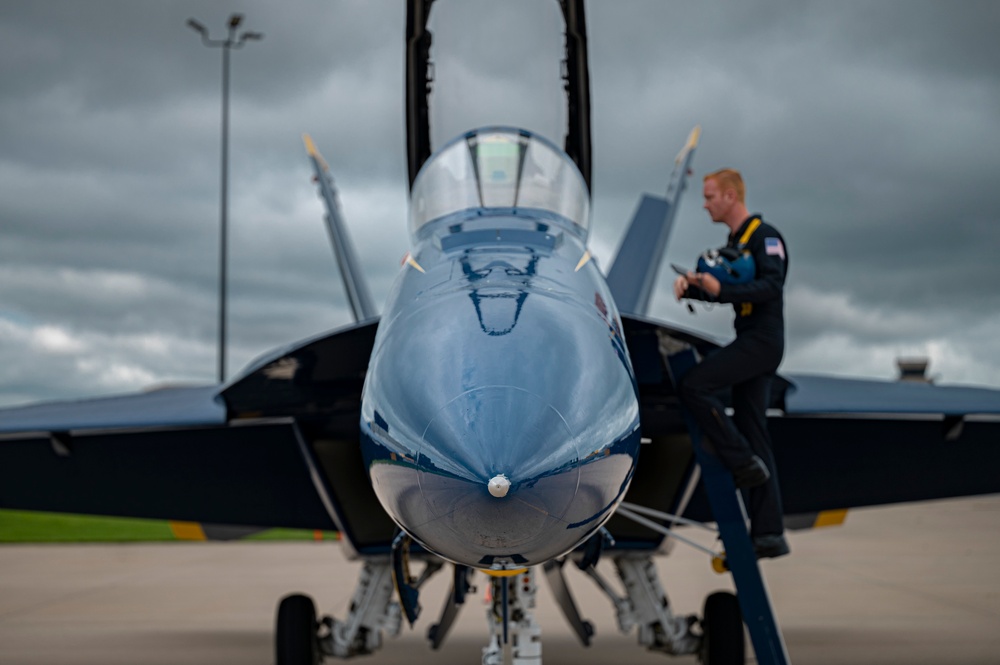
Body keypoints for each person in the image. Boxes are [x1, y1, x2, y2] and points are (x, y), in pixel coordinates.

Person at [673, 168, 790, 559]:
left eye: (709, 197)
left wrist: (722, 288)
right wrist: (694, 288)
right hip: (750, 339)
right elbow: (730, 294)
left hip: (763, 342)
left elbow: (771, 287)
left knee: (694, 385)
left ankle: (740, 462)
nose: (704, 204)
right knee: (755, 432)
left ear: (729, 196)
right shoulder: (734, 241)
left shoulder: (764, 236)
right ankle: (769, 534)